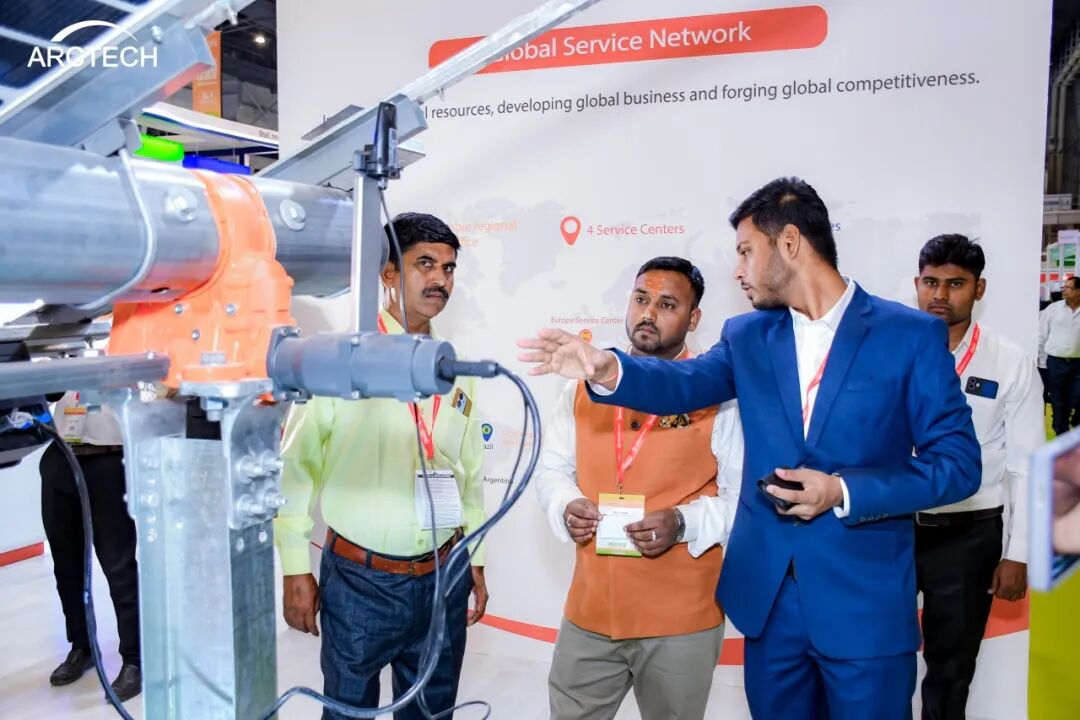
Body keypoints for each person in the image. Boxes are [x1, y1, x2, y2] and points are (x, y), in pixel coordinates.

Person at [519, 177, 981, 720]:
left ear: (790, 243)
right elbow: (683, 383)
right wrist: (607, 369)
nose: (737, 270)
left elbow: (957, 465)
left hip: (863, 606)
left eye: (745, 252)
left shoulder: (908, 335)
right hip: (769, 605)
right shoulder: (747, 335)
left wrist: (843, 491)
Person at [275, 213, 488, 720]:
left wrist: (475, 557)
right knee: (348, 713)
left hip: (444, 575)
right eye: (425, 264)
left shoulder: (455, 367)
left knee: (432, 713)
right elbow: (295, 469)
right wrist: (295, 568)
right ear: (389, 273)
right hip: (360, 583)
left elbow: (469, 473)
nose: (440, 280)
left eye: (449, 268)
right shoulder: (337, 359)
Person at [535, 257, 744, 720]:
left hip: (681, 622)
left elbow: (741, 499)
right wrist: (566, 504)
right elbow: (552, 469)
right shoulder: (583, 384)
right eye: (641, 299)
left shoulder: (720, 396)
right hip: (590, 613)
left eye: (667, 304)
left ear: (693, 318)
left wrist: (683, 523)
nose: (648, 313)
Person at [913, 234, 1044, 719]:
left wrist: (1018, 553)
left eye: (956, 284)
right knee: (878, 658)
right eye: (931, 282)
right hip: (892, 530)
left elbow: (1027, 464)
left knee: (951, 671)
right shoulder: (891, 352)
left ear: (979, 288)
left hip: (968, 536)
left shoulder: (1008, 361)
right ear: (917, 284)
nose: (940, 295)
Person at [41, 392, 141, 701]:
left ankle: (135, 659)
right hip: (61, 454)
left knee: (118, 565)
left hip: (108, 457)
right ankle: (81, 646)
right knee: (66, 566)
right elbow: (49, 392)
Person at [1039, 276, 1080, 436]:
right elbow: (1041, 334)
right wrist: (1041, 361)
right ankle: (1061, 433)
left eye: (1068, 287)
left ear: (1078, 291)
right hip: (1056, 362)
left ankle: (1074, 421)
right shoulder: (1053, 309)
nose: (1064, 290)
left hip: (1078, 365)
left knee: (1076, 396)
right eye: (1064, 287)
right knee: (1058, 400)